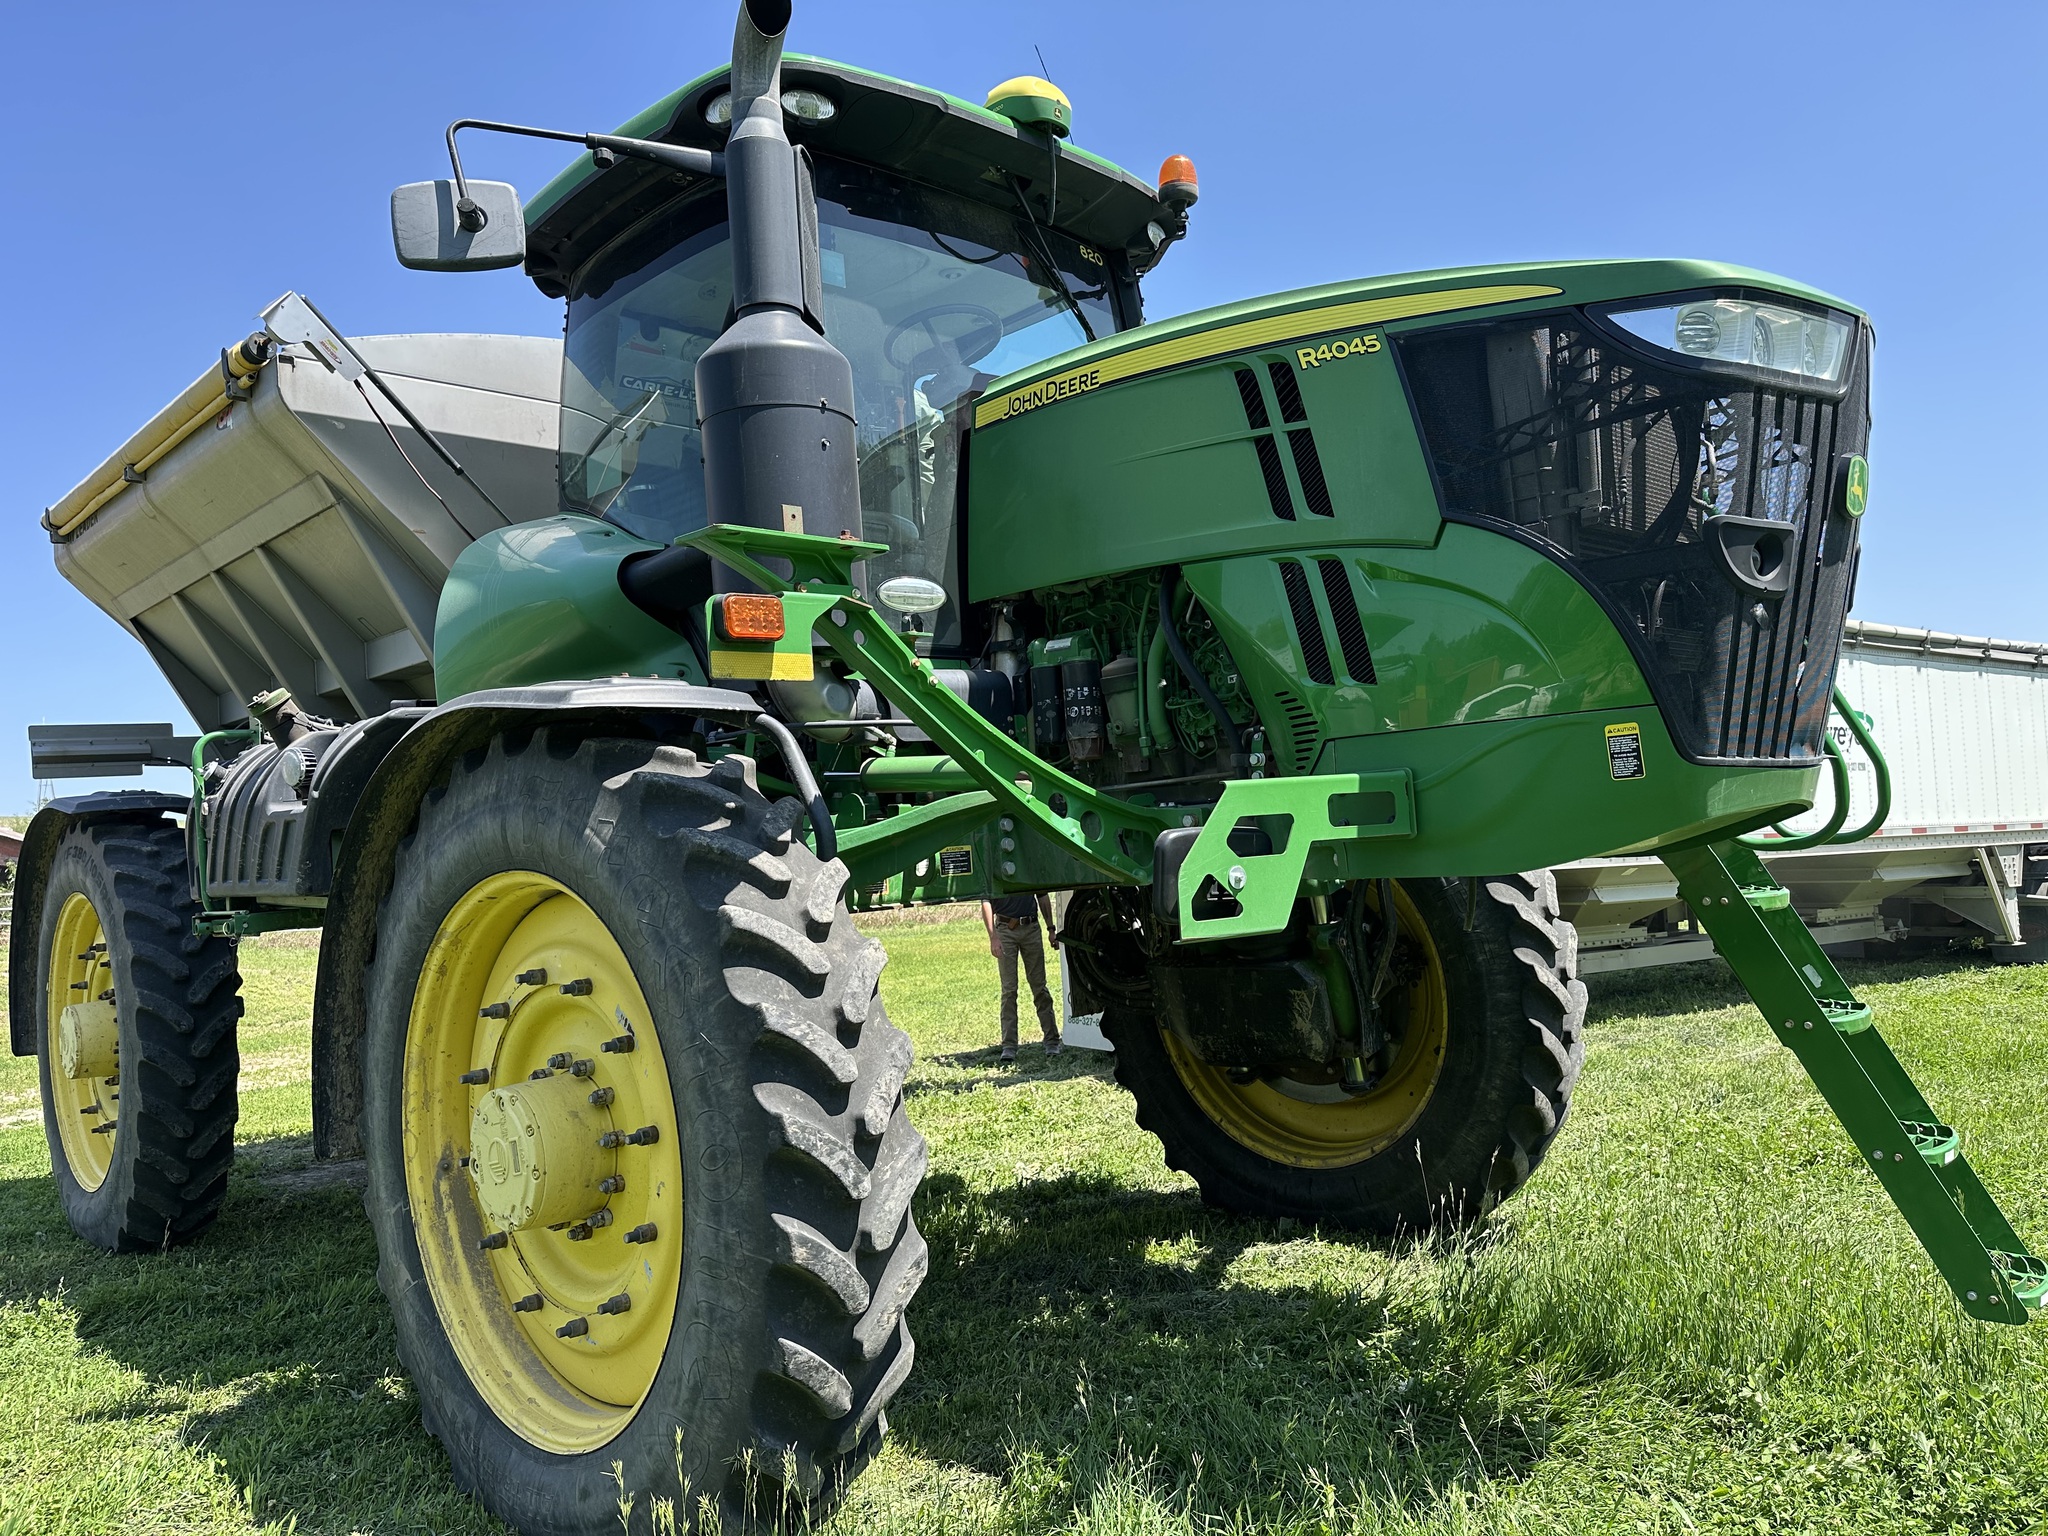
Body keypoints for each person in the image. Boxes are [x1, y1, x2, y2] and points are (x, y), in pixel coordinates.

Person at [981, 891, 1061, 1062]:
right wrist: (993, 937)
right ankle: (1009, 1045)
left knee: (1039, 987)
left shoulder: (1029, 873)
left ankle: (1052, 1040)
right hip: (1005, 930)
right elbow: (986, 901)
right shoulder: (993, 873)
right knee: (1009, 990)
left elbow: (1042, 896)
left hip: (1031, 928)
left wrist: (1051, 928)